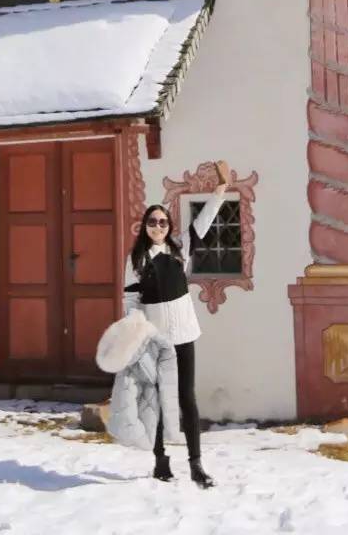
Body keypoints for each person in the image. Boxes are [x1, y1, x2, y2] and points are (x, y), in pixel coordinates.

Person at [123, 159, 231, 488]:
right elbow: (131, 302)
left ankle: (196, 464)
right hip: (156, 341)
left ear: (169, 226)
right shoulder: (137, 260)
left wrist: (221, 190)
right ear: (145, 226)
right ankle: (160, 460)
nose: (158, 226)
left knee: (187, 398)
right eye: (152, 222)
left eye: (163, 221)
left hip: (184, 335)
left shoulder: (180, 248)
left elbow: (204, 221)